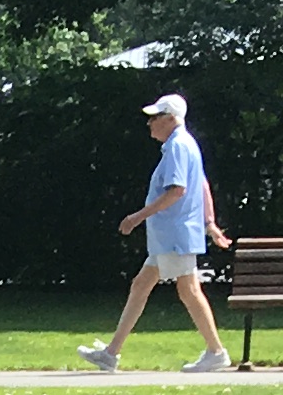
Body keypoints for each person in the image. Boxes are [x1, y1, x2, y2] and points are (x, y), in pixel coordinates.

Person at [77, 92, 230, 377]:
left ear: (170, 119)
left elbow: (178, 190)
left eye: (155, 117)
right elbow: (202, 184)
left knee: (189, 290)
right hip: (171, 235)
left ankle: (216, 352)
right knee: (141, 285)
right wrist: (209, 222)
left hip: (175, 234)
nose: (149, 123)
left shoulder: (177, 146)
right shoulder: (185, 144)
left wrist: (138, 216)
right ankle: (111, 353)